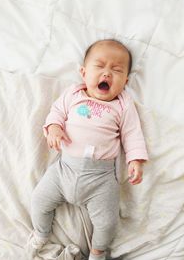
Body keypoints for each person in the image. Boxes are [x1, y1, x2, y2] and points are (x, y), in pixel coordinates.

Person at [26, 39, 148, 260]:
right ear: (83, 72)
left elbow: (132, 134)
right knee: (38, 200)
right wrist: (53, 128)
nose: (107, 73)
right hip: (64, 170)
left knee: (107, 222)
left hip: (101, 179)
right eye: (99, 66)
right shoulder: (73, 94)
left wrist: (135, 160)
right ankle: (41, 233)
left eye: (116, 70)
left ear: (126, 81)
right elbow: (56, 113)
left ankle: (98, 251)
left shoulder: (123, 104)